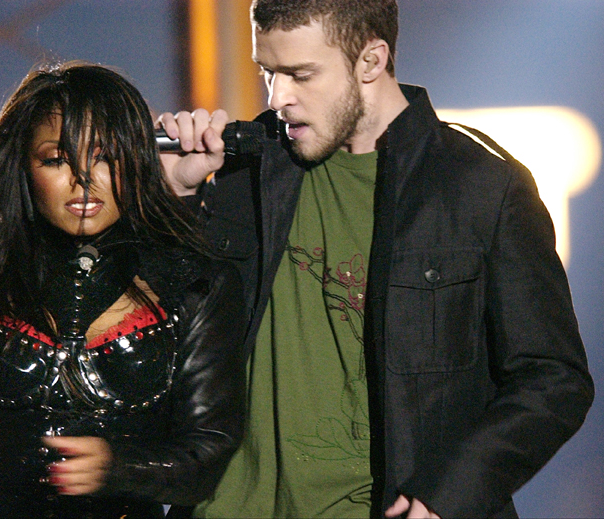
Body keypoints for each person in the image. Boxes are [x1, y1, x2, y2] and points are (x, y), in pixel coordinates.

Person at [156, 0, 595, 517]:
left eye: (301, 75)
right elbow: (161, 334)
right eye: (268, 73)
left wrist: (450, 492)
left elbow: (553, 379)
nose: (279, 98)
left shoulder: (479, 186)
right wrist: (174, 197)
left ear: (371, 60)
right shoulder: (244, 171)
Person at [0, 61, 246, 519]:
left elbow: (210, 453)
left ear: (134, 159)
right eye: (56, 159)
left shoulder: (196, 285)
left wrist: (119, 468)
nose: (84, 178)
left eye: (106, 156)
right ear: (21, 165)